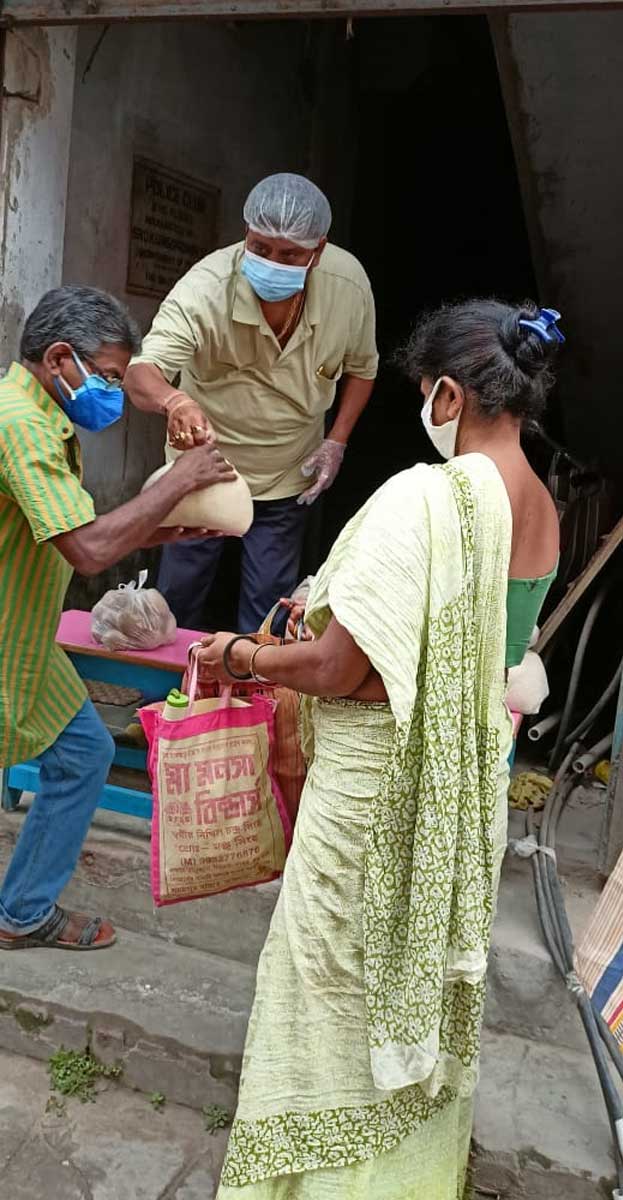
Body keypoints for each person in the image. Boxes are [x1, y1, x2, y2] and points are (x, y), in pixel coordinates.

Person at [198, 298, 562, 1198]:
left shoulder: (424, 498)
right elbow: (473, 659)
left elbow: (338, 669)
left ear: (448, 395)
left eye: (423, 392)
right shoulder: (541, 509)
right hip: (463, 788)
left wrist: (240, 655)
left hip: (375, 794)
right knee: (414, 992)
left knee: (330, 1002)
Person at [0, 286, 235, 951]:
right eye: (106, 376)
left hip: (24, 638)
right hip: (7, 639)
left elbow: (74, 530)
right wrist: (178, 481)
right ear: (59, 358)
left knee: (84, 752)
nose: (111, 393)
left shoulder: (43, 419)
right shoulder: (19, 424)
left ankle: (22, 912)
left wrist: (164, 531)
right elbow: (90, 549)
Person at [124, 172, 378, 633]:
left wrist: (337, 441)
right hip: (203, 467)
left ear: (318, 250)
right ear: (246, 232)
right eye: (260, 248)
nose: (272, 262)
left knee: (268, 607)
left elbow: (363, 368)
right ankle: (169, 681)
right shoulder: (206, 287)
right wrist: (174, 400)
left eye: (290, 254)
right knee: (176, 597)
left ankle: (249, 680)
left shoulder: (348, 285)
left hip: (287, 470)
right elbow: (141, 372)